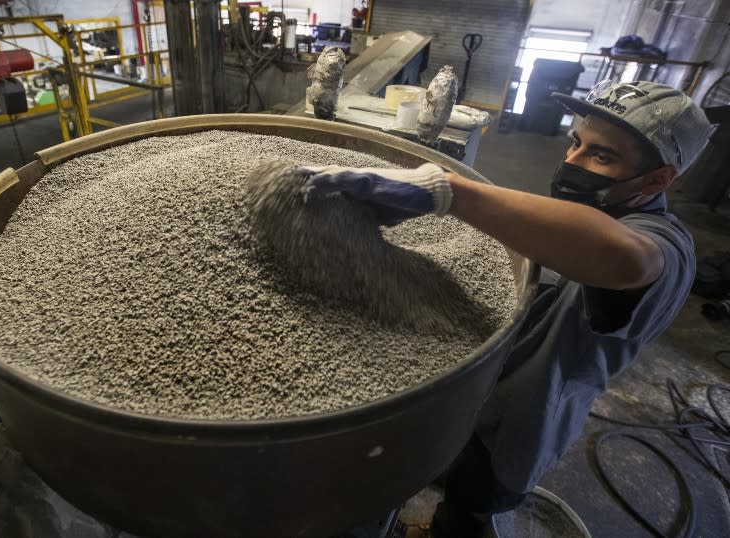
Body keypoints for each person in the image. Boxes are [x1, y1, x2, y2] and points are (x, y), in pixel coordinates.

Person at [301, 80, 713, 536]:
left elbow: (629, 258)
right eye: (576, 143)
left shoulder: (667, 247)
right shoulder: (591, 212)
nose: (573, 162)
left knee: (472, 504)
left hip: (521, 421)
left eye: (603, 156)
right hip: (477, 390)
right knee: (446, 464)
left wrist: (449, 193)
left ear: (658, 180)